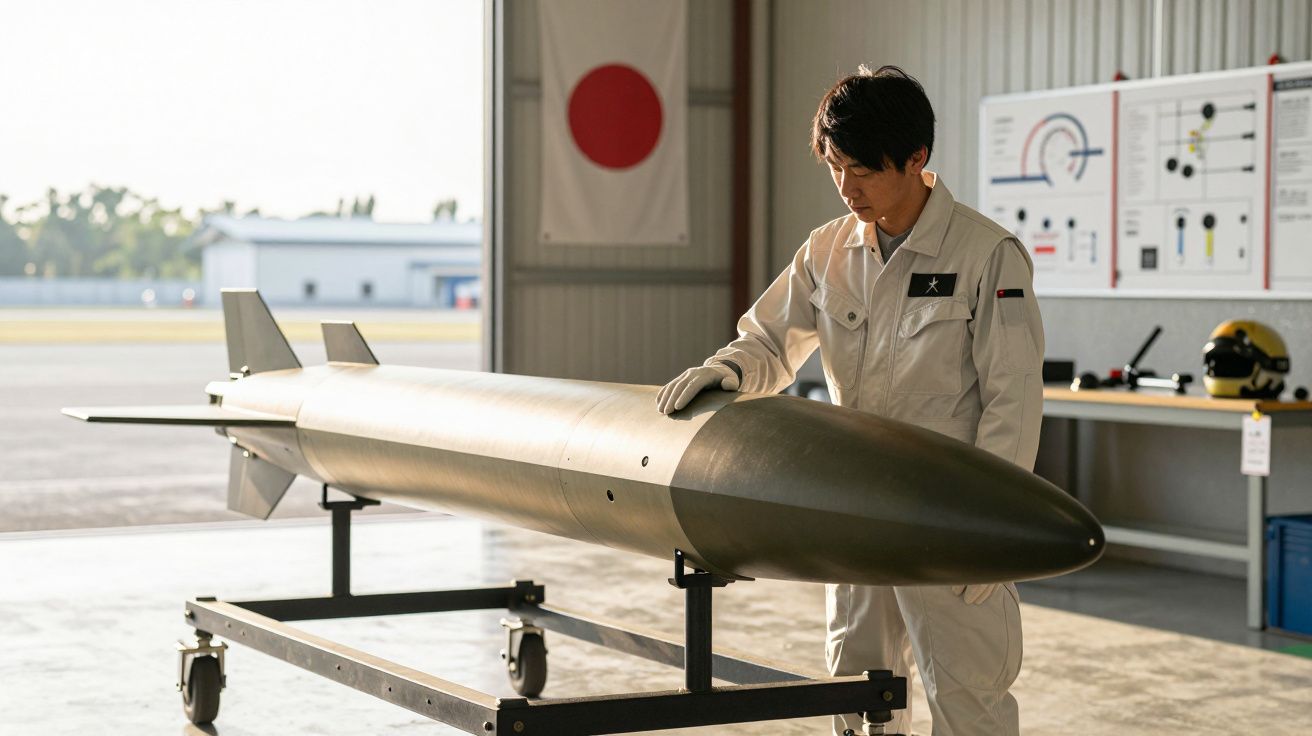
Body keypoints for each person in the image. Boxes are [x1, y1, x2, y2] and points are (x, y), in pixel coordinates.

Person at [655, 65, 1044, 736]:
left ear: (917, 159)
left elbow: (1013, 401)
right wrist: (725, 373)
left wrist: (988, 540)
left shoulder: (986, 255)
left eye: (862, 168)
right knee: (859, 696)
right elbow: (771, 343)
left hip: (948, 527)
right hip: (856, 520)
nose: (846, 186)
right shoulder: (827, 252)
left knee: (968, 701)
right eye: (835, 166)